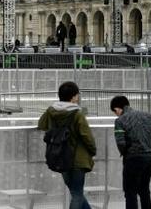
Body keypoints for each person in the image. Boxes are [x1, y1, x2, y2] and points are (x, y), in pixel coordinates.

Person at [38, 81, 96, 209]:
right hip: (78, 160)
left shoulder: (52, 111)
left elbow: (41, 124)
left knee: (76, 192)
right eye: (77, 95)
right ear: (73, 97)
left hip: (60, 157)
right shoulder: (77, 114)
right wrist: (93, 151)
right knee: (77, 194)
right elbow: (87, 136)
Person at [110, 95, 151, 209]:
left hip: (133, 158)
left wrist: (125, 152)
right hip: (149, 157)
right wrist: (145, 137)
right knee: (144, 190)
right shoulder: (146, 115)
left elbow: (121, 143)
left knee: (130, 192)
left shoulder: (120, 120)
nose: (116, 114)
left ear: (117, 109)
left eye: (115, 112)